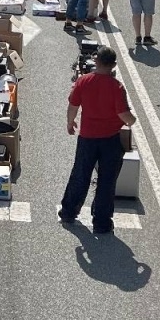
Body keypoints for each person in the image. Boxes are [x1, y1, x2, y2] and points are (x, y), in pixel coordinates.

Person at [59, 47, 137, 234]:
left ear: (96, 61)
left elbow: (73, 105)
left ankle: (69, 212)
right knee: (106, 181)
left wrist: (70, 123)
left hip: (87, 137)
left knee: (80, 175)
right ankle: (101, 222)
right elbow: (124, 115)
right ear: (114, 65)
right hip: (111, 140)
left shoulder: (83, 81)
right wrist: (132, 121)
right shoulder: (116, 87)